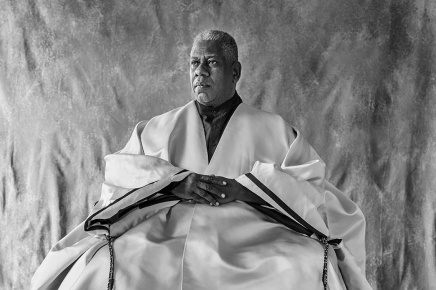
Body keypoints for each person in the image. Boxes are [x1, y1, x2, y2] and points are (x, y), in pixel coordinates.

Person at [31, 30, 371, 290]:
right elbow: (120, 177)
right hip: (167, 228)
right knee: (104, 259)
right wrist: (176, 182)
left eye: (212, 63)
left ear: (235, 71)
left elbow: (311, 190)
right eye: (195, 63)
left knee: (304, 261)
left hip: (251, 231)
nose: (200, 72)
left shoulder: (275, 130)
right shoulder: (157, 128)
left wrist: (248, 190)